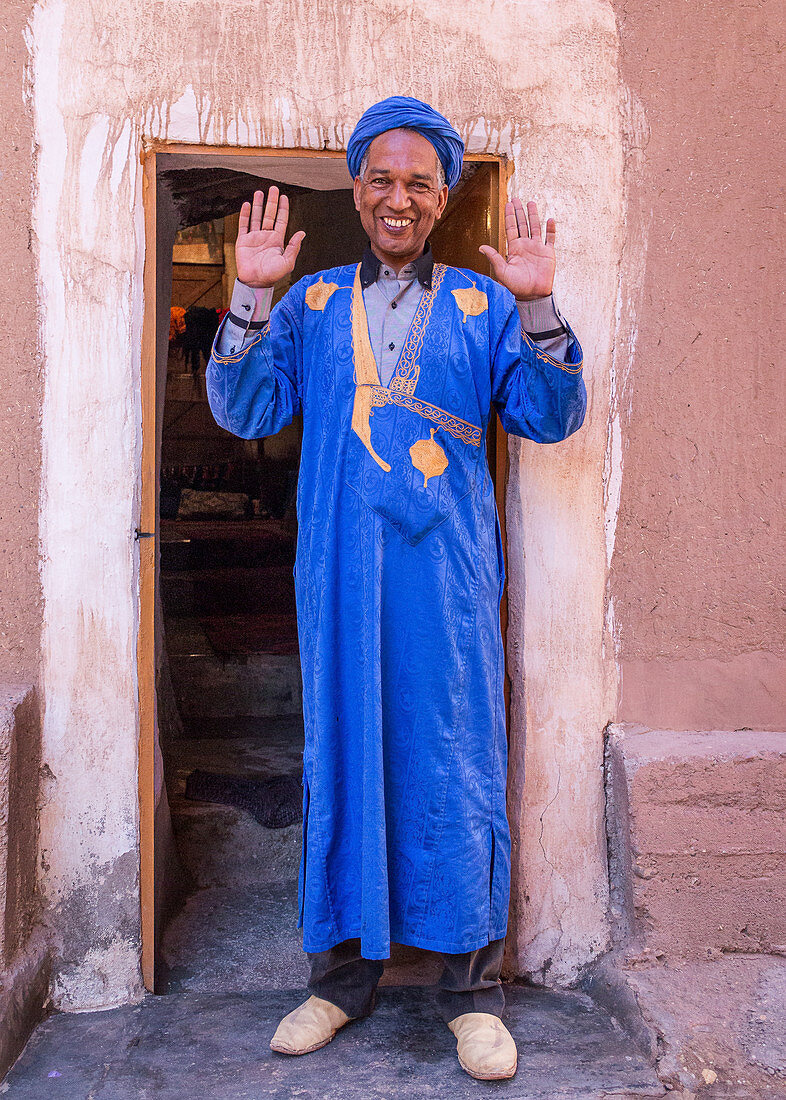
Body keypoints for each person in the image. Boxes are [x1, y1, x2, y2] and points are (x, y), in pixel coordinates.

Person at [205, 96, 586, 1081]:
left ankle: (469, 991)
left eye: (419, 181)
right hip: (340, 582)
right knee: (343, 755)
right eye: (381, 178)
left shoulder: (485, 303)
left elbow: (550, 415)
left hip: (449, 590)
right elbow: (246, 407)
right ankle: (340, 977)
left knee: (453, 760)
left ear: (444, 195)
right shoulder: (314, 302)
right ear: (358, 189)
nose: (399, 197)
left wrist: (540, 305)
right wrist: (250, 296)